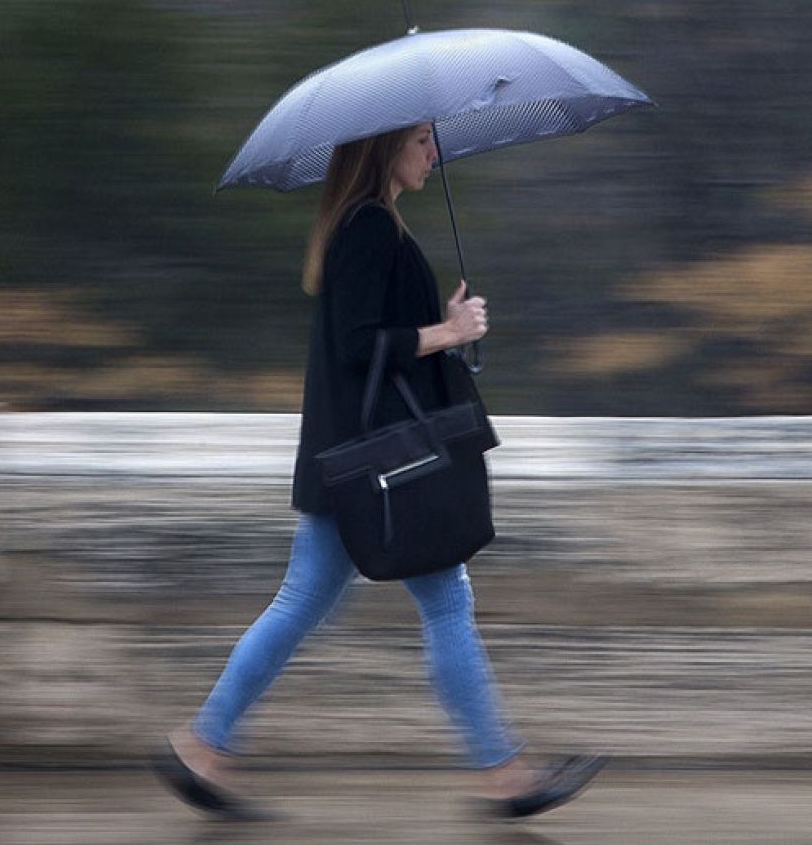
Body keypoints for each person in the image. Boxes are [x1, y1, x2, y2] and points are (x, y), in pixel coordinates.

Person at [153, 122, 604, 820]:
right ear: (383, 146)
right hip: (379, 469)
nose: (434, 153)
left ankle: (203, 747)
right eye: (421, 141)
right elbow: (359, 345)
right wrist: (449, 332)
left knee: (303, 606)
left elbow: (375, 337)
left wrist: (443, 322)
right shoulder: (367, 227)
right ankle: (503, 773)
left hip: (358, 464)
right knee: (440, 604)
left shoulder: (368, 224)